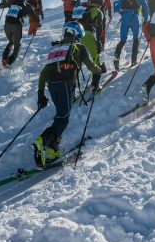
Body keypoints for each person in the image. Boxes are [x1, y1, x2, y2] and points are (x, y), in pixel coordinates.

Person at [33, 22, 104, 166]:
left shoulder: (56, 48)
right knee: (63, 119)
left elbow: (44, 73)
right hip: (65, 85)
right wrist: (101, 69)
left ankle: (53, 150)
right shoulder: (79, 47)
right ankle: (42, 141)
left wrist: (40, 93)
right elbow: (92, 67)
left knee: (60, 115)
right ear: (78, 34)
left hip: (52, 86)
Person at [0, 0, 40, 67]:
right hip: (16, 25)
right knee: (17, 46)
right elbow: (35, 17)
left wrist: (4, 2)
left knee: (10, 42)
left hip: (7, 25)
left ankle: (4, 59)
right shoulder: (27, 5)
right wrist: (38, 23)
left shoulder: (13, 2)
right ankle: (8, 63)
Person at [113, 0, 149, 70]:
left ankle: (116, 61)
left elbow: (116, 8)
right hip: (134, 18)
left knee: (122, 40)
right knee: (135, 39)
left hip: (125, 17)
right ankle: (134, 60)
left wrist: (122, 13)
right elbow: (146, 9)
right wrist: (145, 20)